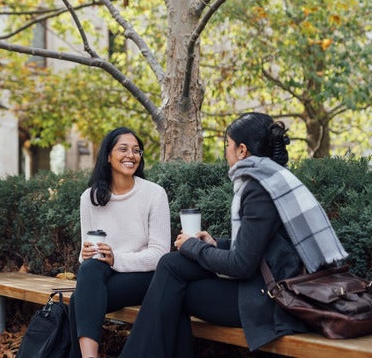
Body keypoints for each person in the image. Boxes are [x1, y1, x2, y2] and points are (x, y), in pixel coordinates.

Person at [120, 112, 348, 357]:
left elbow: (242, 265)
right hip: (270, 284)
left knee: (174, 288)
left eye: (227, 145)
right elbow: (261, 245)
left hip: (274, 301)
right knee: (171, 265)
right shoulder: (273, 179)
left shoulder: (259, 189)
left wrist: (193, 247)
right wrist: (216, 243)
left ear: (241, 150)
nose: (225, 151)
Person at [69, 127, 171, 358]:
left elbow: (160, 255)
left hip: (145, 277)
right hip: (104, 274)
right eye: (123, 149)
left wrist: (116, 258)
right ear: (107, 155)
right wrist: (84, 255)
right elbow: (87, 252)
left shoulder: (154, 194)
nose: (131, 155)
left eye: (136, 151)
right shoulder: (90, 197)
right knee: (89, 268)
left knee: (78, 301)